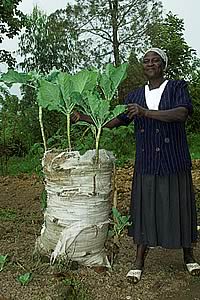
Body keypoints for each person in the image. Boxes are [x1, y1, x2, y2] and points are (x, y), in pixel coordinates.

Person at [72, 48, 200, 283]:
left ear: (163, 65)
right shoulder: (134, 96)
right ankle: (139, 260)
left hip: (174, 158)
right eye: (146, 61)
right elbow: (114, 123)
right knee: (144, 208)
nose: (150, 64)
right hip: (147, 160)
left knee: (179, 205)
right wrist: (84, 118)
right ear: (143, 66)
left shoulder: (177, 87)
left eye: (156, 60)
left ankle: (189, 256)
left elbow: (181, 114)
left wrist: (145, 113)